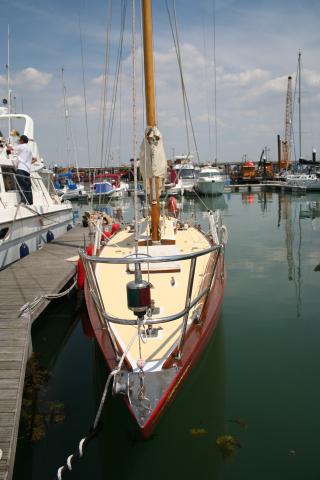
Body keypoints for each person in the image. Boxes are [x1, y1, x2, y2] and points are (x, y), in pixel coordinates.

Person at [7, 134, 37, 205]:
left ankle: (23, 202)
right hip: (27, 171)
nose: (19, 141)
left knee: (22, 186)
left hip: (21, 169)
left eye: (19, 140)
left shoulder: (21, 146)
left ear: (22, 141)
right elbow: (35, 159)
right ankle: (30, 203)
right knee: (28, 187)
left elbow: (10, 148)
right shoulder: (29, 149)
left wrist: (6, 145)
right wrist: (29, 163)